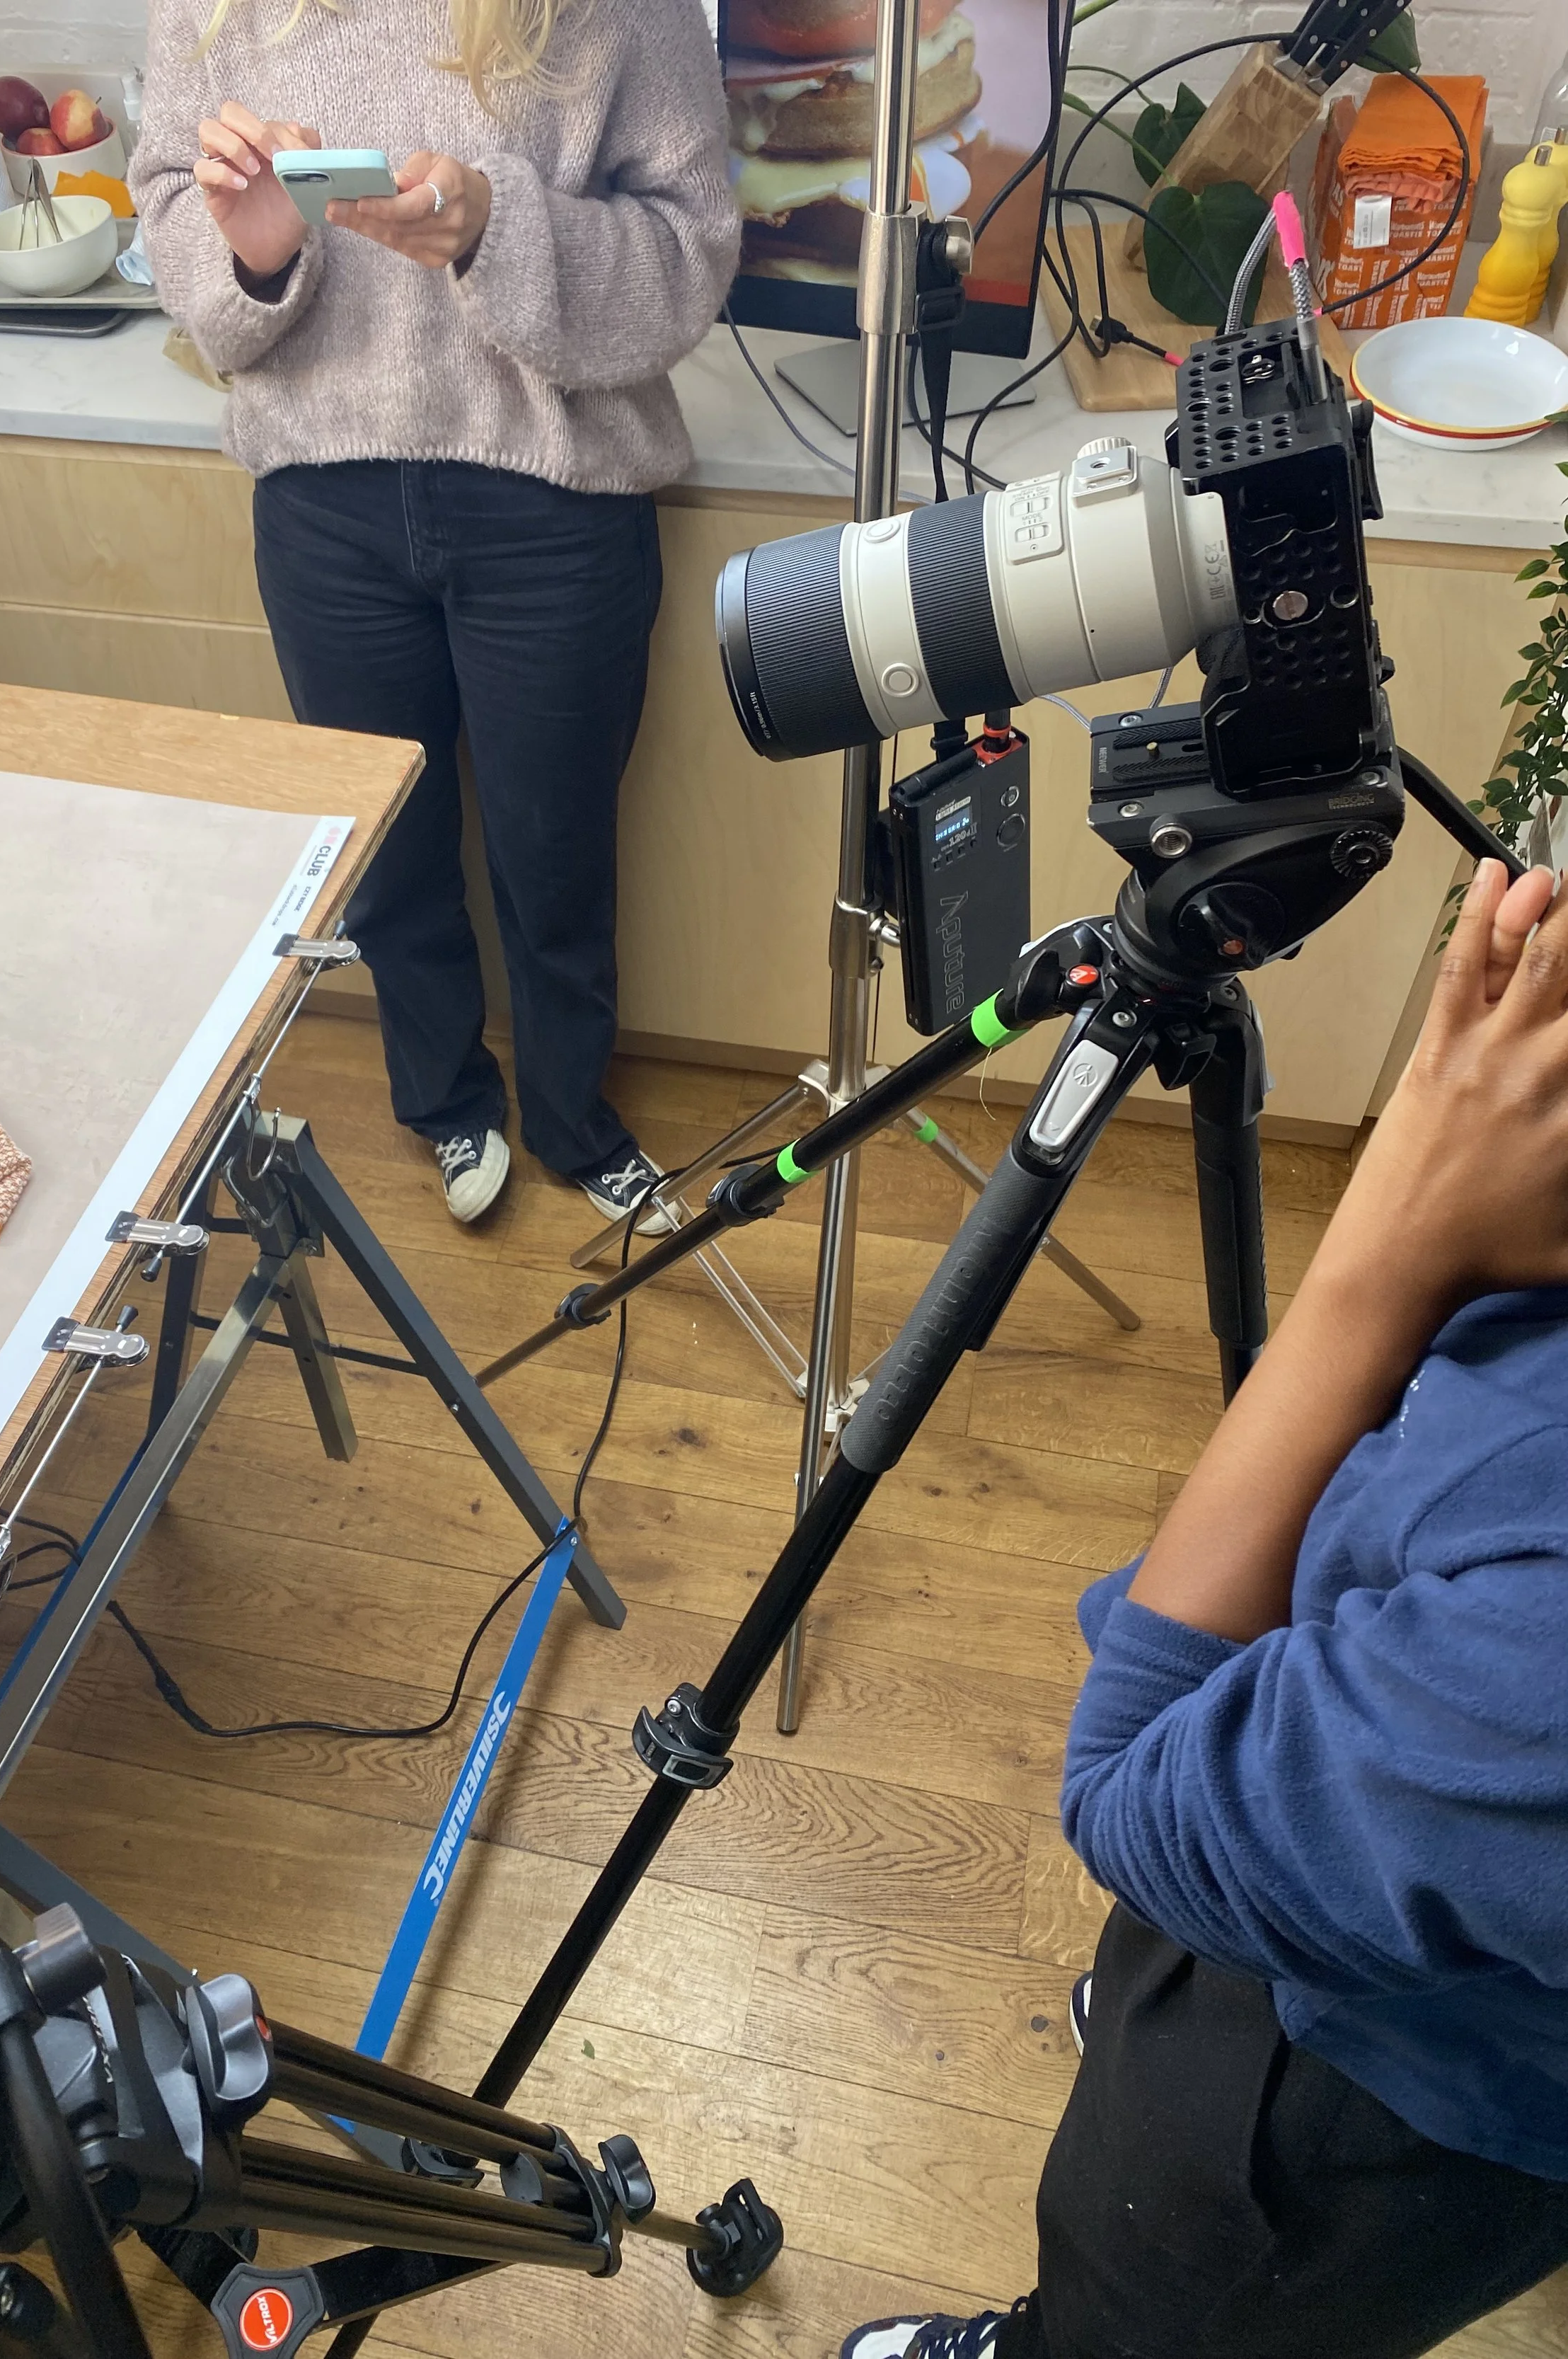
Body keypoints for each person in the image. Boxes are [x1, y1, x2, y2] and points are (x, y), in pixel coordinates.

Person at [843, 855, 1568, 2359]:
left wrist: (1396, 1232)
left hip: (1359, 2100)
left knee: (1143, 2304)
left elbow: (1123, 1782)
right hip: (1370, 1876)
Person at [132, 0, 739, 1225]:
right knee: (389, 852)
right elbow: (169, 218)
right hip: (319, 496)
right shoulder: (215, 8)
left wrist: (498, 226)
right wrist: (248, 250)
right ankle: (447, 1107)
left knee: (553, 846)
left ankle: (572, 1118)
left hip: (557, 499)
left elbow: (692, 254)